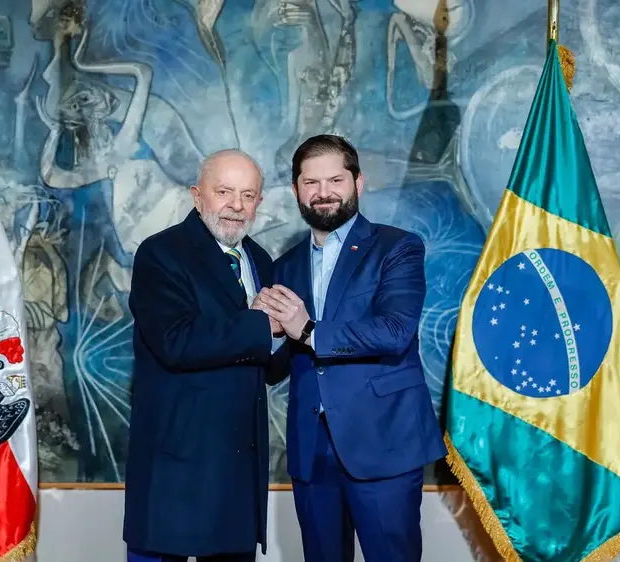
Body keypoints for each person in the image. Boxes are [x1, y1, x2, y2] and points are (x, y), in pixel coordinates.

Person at [257, 135, 447, 562]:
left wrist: (306, 329)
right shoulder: (284, 266)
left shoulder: (397, 247)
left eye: (335, 180)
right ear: (296, 190)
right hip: (311, 449)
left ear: (359, 183)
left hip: (383, 442)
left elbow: (395, 331)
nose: (323, 192)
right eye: (311, 183)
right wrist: (268, 332)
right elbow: (277, 366)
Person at [124, 149, 282, 562]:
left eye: (248, 195)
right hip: (175, 469)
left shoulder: (261, 260)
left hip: (236, 472)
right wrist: (265, 325)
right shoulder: (160, 253)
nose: (236, 205)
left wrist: (295, 332)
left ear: (259, 204)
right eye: (224, 191)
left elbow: (266, 364)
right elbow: (176, 342)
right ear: (198, 196)